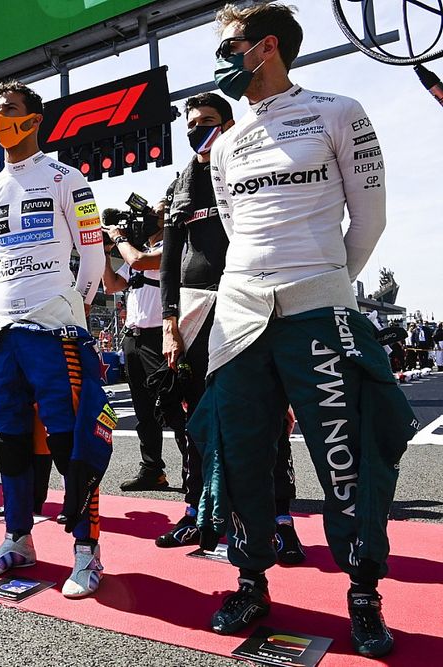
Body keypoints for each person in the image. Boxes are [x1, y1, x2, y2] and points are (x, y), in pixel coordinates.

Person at [192, 4, 415, 657]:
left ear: (264, 47)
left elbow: (368, 220)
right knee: (238, 451)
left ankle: (364, 593)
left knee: (349, 454)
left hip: (319, 306)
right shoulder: (225, 144)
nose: (219, 59)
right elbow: (236, 230)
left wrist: (323, 286)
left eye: (228, 46)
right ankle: (251, 578)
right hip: (240, 314)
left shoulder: (339, 110)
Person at [0, 81, 111, 598]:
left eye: (9, 110)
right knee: (10, 443)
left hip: (56, 326)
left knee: (71, 438)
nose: (0, 119)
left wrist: (74, 305)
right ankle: (17, 539)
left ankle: (86, 551)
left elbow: (93, 256)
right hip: (2, 328)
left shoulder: (68, 178)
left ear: (34, 119)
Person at [156, 92, 303, 561]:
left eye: (209, 121)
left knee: (268, 416)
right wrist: (169, 319)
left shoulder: (249, 166)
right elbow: (169, 262)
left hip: (250, 303)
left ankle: (281, 520)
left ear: (230, 122)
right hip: (196, 314)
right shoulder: (180, 181)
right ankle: (197, 511)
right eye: (192, 124)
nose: (199, 130)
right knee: (195, 421)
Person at [101, 205, 186, 495]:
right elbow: (112, 285)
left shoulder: (174, 245)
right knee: (144, 412)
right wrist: (104, 250)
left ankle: (193, 471)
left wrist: (119, 238)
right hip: (134, 339)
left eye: (156, 212)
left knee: (174, 408)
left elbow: (139, 262)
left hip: (160, 338)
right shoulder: (133, 251)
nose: (148, 216)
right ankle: (152, 470)